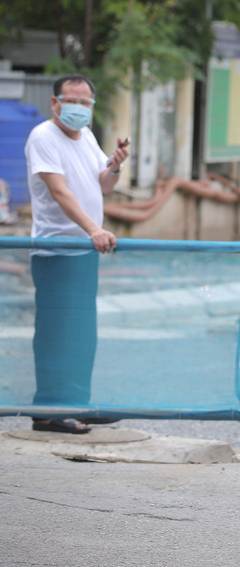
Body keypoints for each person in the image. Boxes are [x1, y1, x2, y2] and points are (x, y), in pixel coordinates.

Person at [24, 73, 130, 435]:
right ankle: (49, 411)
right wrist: (94, 229)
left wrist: (114, 165)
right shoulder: (43, 137)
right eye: (73, 101)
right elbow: (60, 192)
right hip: (57, 250)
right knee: (57, 332)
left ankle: (76, 405)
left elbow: (103, 184)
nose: (80, 109)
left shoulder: (86, 136)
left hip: (84, 251)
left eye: (86, 103)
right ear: (55, 103)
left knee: (82, 334)